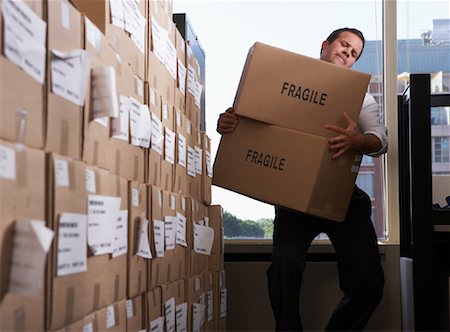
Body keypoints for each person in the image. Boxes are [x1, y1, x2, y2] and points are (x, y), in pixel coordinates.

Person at [217, 27, 388, 331]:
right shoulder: (289, 83)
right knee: (283, 267)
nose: (347, 54)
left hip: (343, 198)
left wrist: (358, 141)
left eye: (354, 54)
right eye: (344, 46)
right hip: (294, 197)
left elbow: (380, 139)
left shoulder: (358, 95)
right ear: (325, 45)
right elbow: (251, 118)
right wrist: (230, 123)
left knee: (369, 285)